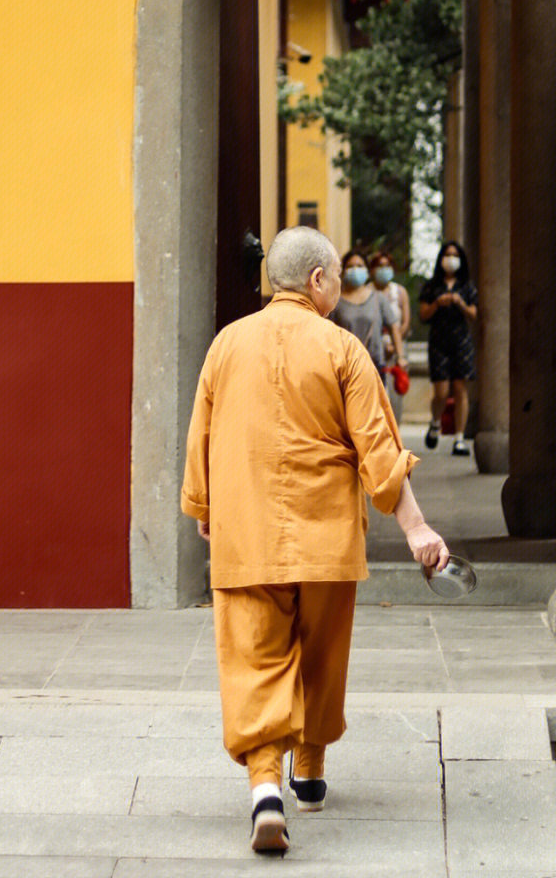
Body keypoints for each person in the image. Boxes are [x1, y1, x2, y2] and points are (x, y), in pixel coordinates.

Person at [181, 226, 449, 855]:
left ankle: (265, 788)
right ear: (319, 281)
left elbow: (202, 433)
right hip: (326, 538)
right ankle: (312, 772)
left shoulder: (226, 344)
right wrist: (416, 527)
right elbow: (378, 451)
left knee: (256, 656)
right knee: (321, 655)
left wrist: (204, 505)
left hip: (247, 534)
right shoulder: (343, 348)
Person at [418, 239, 478, 457]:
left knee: (461, 389)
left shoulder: (467, 287)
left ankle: (459, 438)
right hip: (439, 342)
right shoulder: (431, 286)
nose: (450, 259)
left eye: (455, 255)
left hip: (461, 342)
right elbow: (423, 315)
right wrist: (437, 303)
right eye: (447, 255)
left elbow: (474, 315)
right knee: (441, 392)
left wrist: (460, 303)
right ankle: (435, 422)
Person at [329, 249, 407, 381]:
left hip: (375, 366)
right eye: (350, 266)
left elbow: (394, 327)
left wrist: (400, 356)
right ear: (343, 271)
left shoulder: (378, 298)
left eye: (359, 266)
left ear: (367, 270)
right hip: (346, 368)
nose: (355, 269)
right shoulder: (335, 302)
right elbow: (328, 334)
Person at [370, 251, 411, 421]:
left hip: (396, 349)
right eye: (380, 266)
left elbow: (405, 322)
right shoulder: (367, 292)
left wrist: (395, 346)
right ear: (372, 269)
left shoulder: (399, 292)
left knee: (394, 397)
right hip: (373, 348)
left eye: (387, 266)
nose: (383, 269)